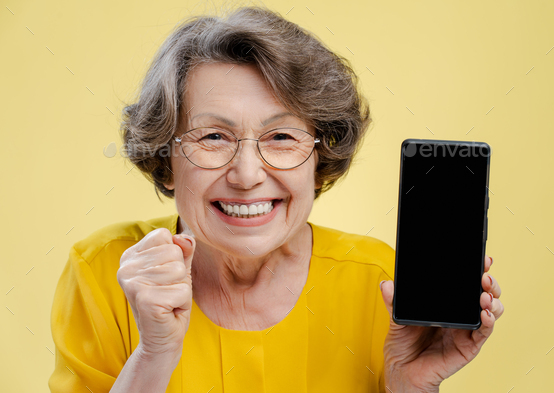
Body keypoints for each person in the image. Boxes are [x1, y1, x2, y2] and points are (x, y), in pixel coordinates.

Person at [49, 6, 503, 393]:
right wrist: (154, 356)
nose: (247, 175)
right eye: (213, 136)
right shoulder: (103, 275)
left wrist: (409, 388)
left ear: (318, 159)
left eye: (281, 136)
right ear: (167, 161)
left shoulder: (380, 285)